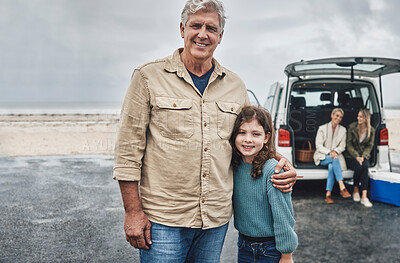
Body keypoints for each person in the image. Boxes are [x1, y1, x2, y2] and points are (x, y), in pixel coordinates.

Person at [113, 0, 297, 262]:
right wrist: (132, 212)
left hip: (215, 220)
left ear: (220, 36)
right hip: (164, 219)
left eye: (211, 28)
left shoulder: (235, 85)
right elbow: (128, 150)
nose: (202, 34)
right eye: (195, 26)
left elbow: (250, 137)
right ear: (182, 29)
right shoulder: (147, 77)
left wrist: (281, 161)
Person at [230, 106, 298, 263]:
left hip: (270, 249)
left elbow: (283, 216)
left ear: (266, 137)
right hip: (243, 245)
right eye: (242, 132)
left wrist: (286, 255)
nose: (248, 139)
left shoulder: (273, 171)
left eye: (256, 134)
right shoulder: (235, 165)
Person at [313, 108, 351, 204]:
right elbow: (318, 146)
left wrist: (335, 151)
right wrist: (330, 152)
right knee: (334, 159)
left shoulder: (343, 130)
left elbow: (343, 146)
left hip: (335, 156)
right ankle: (341, 186)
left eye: (340, 117)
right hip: (322, 156)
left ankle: (328, 194)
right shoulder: (322, 128)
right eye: (337, 116)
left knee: (331, 167)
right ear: (332, 115)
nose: (338, 118)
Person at [345, 108, 375, 207]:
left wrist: (363, 156)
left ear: (366, 118)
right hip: (351, 156)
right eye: (358, 116)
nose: (358, 118)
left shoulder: (372, 130)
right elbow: (349, 145)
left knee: (365, 166)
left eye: (361, 116)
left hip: (363, 156)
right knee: (359, 166)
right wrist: (357, 156)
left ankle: (364, 196)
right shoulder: (352, 127)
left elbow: (369, 146)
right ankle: (356, 189)